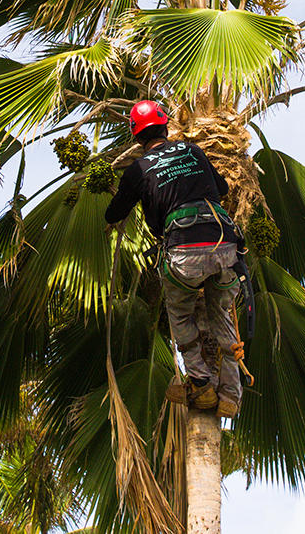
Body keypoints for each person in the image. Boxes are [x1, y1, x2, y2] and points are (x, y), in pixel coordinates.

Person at [103, 100, 246, 418]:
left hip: (183, 253)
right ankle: (231, 397)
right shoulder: (193, 151)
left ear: (137, 136)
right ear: (165, 126)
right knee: (221, 315)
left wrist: (122, 191)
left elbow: (114, 213)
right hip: (224, 244)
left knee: (181, 316)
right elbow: (220, 188)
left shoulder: (138, 170)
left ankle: (201, 384)